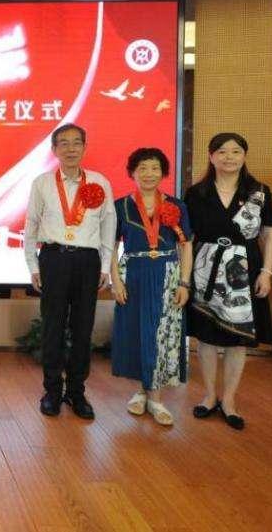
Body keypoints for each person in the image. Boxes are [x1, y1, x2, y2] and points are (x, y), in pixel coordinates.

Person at [184, 133, 272, 430]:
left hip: (244, 271)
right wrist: (184, 278)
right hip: (205, 271)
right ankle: (209, 395)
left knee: (238, 341)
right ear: (211, 156)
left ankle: (229, 400)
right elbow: (187, 239)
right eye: (222, 151)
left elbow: (270, 233)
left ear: (244, 156)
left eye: (236, 151)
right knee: (207, 338)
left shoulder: (259, 192)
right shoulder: (196, 193)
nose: (229, 157)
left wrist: (266, 272)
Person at [24, 123, 115, 420]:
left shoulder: (99, 182)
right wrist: (33, 265)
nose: (70, 148)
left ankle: (76, 392)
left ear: (85, 147)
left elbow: (108, 225)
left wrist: (105, 266)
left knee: (82, 328)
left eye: (76, 142)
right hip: (54, 258)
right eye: (63, 143)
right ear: (54, 150)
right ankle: (52, 391)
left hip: (88, 261)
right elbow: (31, 225)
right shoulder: (42, 183)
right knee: (52, 328)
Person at [109, 148, 193, 426]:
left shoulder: (176, 206)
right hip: (133, 273)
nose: (149, 174)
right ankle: (141, 391)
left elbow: (187, 245)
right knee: (137, 331)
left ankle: (155, 398)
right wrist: (115, 280)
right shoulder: (121, 206)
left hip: (167, 273)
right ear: (132, 173)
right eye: (142, 168)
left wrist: (184, 282)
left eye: (155, 168)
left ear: (163, 172)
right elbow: (111, 246)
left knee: (162, 332)